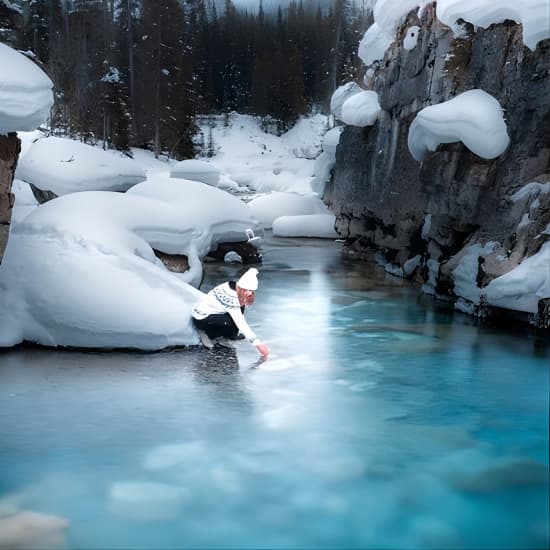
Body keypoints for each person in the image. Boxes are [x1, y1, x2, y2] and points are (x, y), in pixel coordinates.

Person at [192, 268, 270, 358]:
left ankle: (228, 335)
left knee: (240, 307)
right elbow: (241, 323)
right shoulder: (231, 296)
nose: (249, 294)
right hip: (202, 319)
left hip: (212, 315)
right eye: (247, 290)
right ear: (241, 287)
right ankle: (207, 334)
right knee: (233, 320)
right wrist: (258, 344)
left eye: (252, 291)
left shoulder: (232, 286)